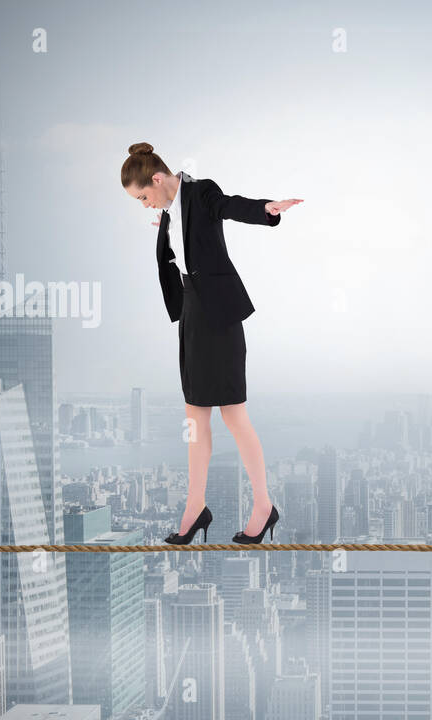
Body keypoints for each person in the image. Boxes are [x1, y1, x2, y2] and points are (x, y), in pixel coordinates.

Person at [120, 143, 303, 545]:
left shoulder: (201, 193)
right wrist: (168, 232)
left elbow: (229, 206)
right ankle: (195, 506)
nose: (145, 205)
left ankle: (263, 505)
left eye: (143, 197)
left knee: (233, 415)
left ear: (156, 179)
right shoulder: (170, 214)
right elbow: (181, 255)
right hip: (191, 315)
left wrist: (265, 209)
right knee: (195, 417)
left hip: (218, 315)